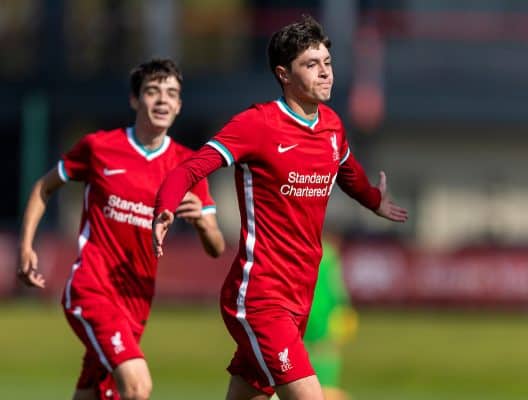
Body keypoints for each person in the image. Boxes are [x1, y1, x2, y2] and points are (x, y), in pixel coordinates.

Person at [152, 15, 408, 400]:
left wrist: (374, 200)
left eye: (327, 63)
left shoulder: (332, 127)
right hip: (260, 296)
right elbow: (191, 166)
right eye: (311, 65)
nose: (325, 74)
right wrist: (165, 207)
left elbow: (348, 172)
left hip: (299, 297)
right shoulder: (258, 125)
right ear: (284, 74)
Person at [17, 58, 225, 400]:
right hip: (92, 288)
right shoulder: (100, 148)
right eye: (152, 91)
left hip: (137, 300)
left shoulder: (189, 166)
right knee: (137, 385)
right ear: (134, 100)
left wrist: (202, 224)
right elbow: (43, 188)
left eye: (171, 94)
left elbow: (216, 247)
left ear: (179, 106)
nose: (162, 100)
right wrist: (26, 247)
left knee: (95, 392)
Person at [303, 235, 357, 400]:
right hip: (324, 315)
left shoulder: (300, 248)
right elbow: (337, 288)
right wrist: (344, 307)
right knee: (325, 356)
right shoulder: (330, 254)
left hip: (300, 312)